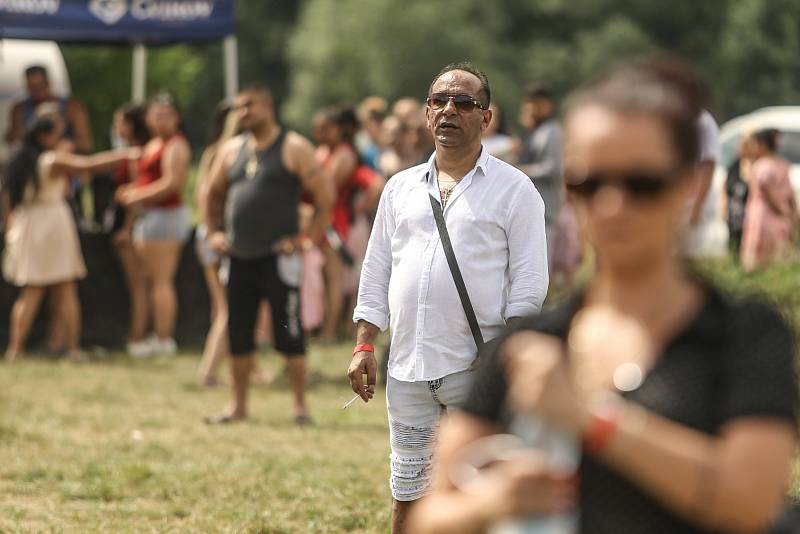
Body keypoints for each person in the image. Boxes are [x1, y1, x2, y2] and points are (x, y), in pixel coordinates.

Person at [409, 56, 798, 534]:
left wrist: (593, 422)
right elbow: (430, 519)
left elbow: (749, 503)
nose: (613, 205)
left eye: (642, 184)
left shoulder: (741, 333)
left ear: (692, 186)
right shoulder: (528, 345)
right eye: (590, 183)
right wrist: (492, 503)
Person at [348, 62, 548, 534]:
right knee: (408, 491)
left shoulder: (515, 190)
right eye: (439, 101)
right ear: (426, 113)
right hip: (409, 369)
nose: (449, 111)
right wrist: (363, 344)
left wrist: (502, 361)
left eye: (464, 103)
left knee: (479, 495)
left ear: (487, 118)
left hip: (476, 370)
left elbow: (528, 285)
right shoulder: (400, 188)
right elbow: (377, 267)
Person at [203, 85, 334, 424]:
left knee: (289, 334)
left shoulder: (294, 147)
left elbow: (324, 195)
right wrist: (214, 231)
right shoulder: (232, 150)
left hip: (278, 257)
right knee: (239, 334)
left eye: (249, 106)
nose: (243, 113)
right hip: (239, 255)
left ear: (267, 105)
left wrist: (308, 238)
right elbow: (211, 193)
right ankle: (238, 406)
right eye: (239, 108)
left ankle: (300, 407)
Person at [3, 114, 136, 361]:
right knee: (64, 288)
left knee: (32, 291)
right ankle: (72, 347)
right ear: (44, 136)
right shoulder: (51, 159)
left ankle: (16, 348)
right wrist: (126, 155)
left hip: (30, 225)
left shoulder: (21, 160)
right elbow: (89, 164)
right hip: (52, 225)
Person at [116, 93, 192, 356]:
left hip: (165, 217)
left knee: (161, 281)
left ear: (177, 118)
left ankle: (163, 338)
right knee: (151, 282)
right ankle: (155, 335)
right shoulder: (153, 144)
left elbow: (172, 184)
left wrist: (136, 195)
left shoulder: (176, 145)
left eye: (165, 115)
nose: (159, 120)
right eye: (155, 115)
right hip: (150, 218)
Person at [195, 100, 238, 385]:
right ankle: (209, 373)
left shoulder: (212, 152)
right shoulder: (232, 155)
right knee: (229, 310)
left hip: (205, 233)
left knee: (223, 308)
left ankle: (243, 367)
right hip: (221, 236)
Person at [109, 104, 150, 355]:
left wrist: (127, 228)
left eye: (120, 122)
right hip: (132, 223)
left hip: (132, 224)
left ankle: (137, 334)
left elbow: (137, 193)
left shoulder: (136, 154)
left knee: (138, 285)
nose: (117, 128)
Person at [740, 128, 797, 272]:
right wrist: (790, 214)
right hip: (781, 222)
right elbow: (790, 194)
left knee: (758, 265)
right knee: (778, 265)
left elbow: (766, 188)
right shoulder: (783, 164)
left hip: (763, 220)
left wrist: (781, 209)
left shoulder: (761, 166)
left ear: (761, 145)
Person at [518, 84, 563, 260]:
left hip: (545, 208)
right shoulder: (536, 131)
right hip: (530, 206)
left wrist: (522, 171)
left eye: (536, 103)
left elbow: (553, 168)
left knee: (541, 264)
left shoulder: (552, 131)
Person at [5, 65, 93, 154]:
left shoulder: (72, 107)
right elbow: (12, 140)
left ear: (48, 83)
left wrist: (65, 146)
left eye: (40, 85)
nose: (37, 91)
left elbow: (86, 144)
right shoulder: (20, 109)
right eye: (33, 87)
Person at [724, 132, 756, 256]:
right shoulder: (734, 164)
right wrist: (724, 206)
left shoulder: (757, 165)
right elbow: (726, 186)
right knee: (733, 247)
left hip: (750, 216)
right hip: (735, 215)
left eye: (746, 144)